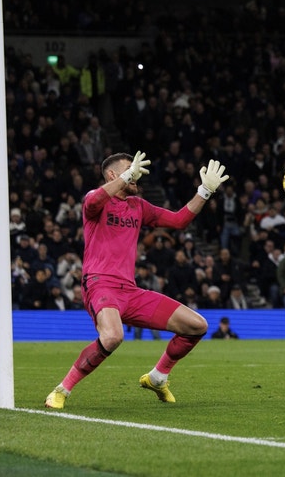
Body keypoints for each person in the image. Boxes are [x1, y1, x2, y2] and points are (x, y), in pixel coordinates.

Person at [44, 151, 229, 409]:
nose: (138, 174)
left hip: (130, 292)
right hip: (100, 285)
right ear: (112, 175)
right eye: (131, 169)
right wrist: (125, 177)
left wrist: (205, 191)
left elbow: (178, 221)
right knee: (112, 337)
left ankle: (158, 377)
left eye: (137, 169)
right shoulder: (94, 200)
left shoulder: (138, 206)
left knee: (196, 325)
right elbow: (94, 200)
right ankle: (62, 389)